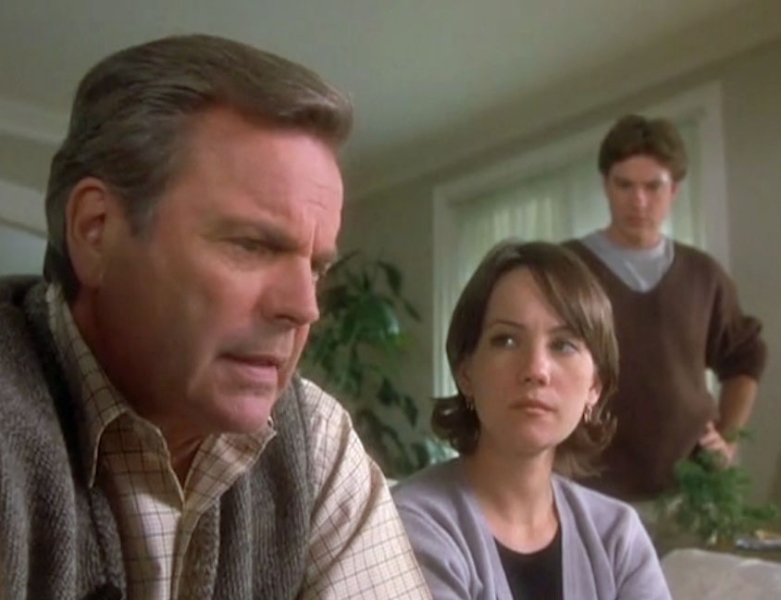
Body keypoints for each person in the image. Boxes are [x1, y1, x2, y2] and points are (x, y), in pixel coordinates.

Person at [0, 34, 430, 599]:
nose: (304, 307)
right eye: (252, 245)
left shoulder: (314, 444)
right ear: (96, 230)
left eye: (317, 267)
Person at [392, 240, 671, 600]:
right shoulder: (411, 521)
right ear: (466, 373)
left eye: (563, 345)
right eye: (506, 340)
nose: (536, 369)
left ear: (594, 387)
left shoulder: (617, 536)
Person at [564, 114, 767, 500]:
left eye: (652, 186)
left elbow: (745, 355)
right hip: (587, 486)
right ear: (606, 185)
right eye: (624, 185)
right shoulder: (566, 268)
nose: (638, 201)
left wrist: (727, 438)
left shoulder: (702, 274)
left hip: (689, 489)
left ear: (673, 189)